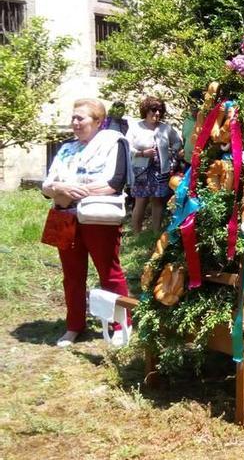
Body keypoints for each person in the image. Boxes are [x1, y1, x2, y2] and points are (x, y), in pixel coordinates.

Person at [41, 99, 132, 347]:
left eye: (81, 118)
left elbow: (114, 182)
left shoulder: (114, 142)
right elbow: (47, 185)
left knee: (109, 273)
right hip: (63, 217)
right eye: (73, 118)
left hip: (98, 218)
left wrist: (68, 189)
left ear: (98, 122)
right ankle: (74, 326)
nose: (75, 123)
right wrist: (59, 187)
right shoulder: (66, 148)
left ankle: (121, 325)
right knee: (71, 275)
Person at [127, 96, 182, 234]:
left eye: (159, 110)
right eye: (153, 110)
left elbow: (178, 142)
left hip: (160, 170)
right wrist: (142, 153)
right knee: (141, 201)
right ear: (146, 110)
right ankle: (136, 233)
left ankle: (156, 232)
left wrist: (171, 151)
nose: (157, 113)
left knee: (158, 201)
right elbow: (127, 147)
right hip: (141, 170)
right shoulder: (136, 127)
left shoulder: (165, 128)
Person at [180, 89, 203, 166]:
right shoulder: (187, 120)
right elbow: (184, 139)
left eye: (197, 103)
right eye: (191, 103)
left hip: (200, 165)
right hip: (186, 162)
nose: (194, 106)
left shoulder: (206, 122)